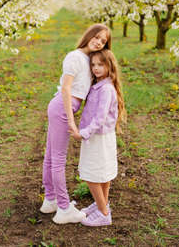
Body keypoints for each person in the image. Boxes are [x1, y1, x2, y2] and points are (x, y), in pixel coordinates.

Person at [40, 24, 112, 224]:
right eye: (96, 37)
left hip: (62, 107)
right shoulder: (74, 56)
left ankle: (50, 200)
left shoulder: (87, 60)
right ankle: (63, 209)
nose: (98, 42)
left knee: (50, 155)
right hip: (63, 107)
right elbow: (66, 88)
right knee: (58, 158)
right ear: (89, 35)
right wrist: (71, 120)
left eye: (103, 41)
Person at [72, 49, 126, 227]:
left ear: (109, 66)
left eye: (100, 65)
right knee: (102, 173)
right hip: (100, 137)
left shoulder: (106, 89)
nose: (95, 68)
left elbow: (100, 118)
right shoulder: (100, 85)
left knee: (92, 174)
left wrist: (83, 134)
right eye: (93, 64)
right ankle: (102, 203)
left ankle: (104, 214)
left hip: (97, 137)